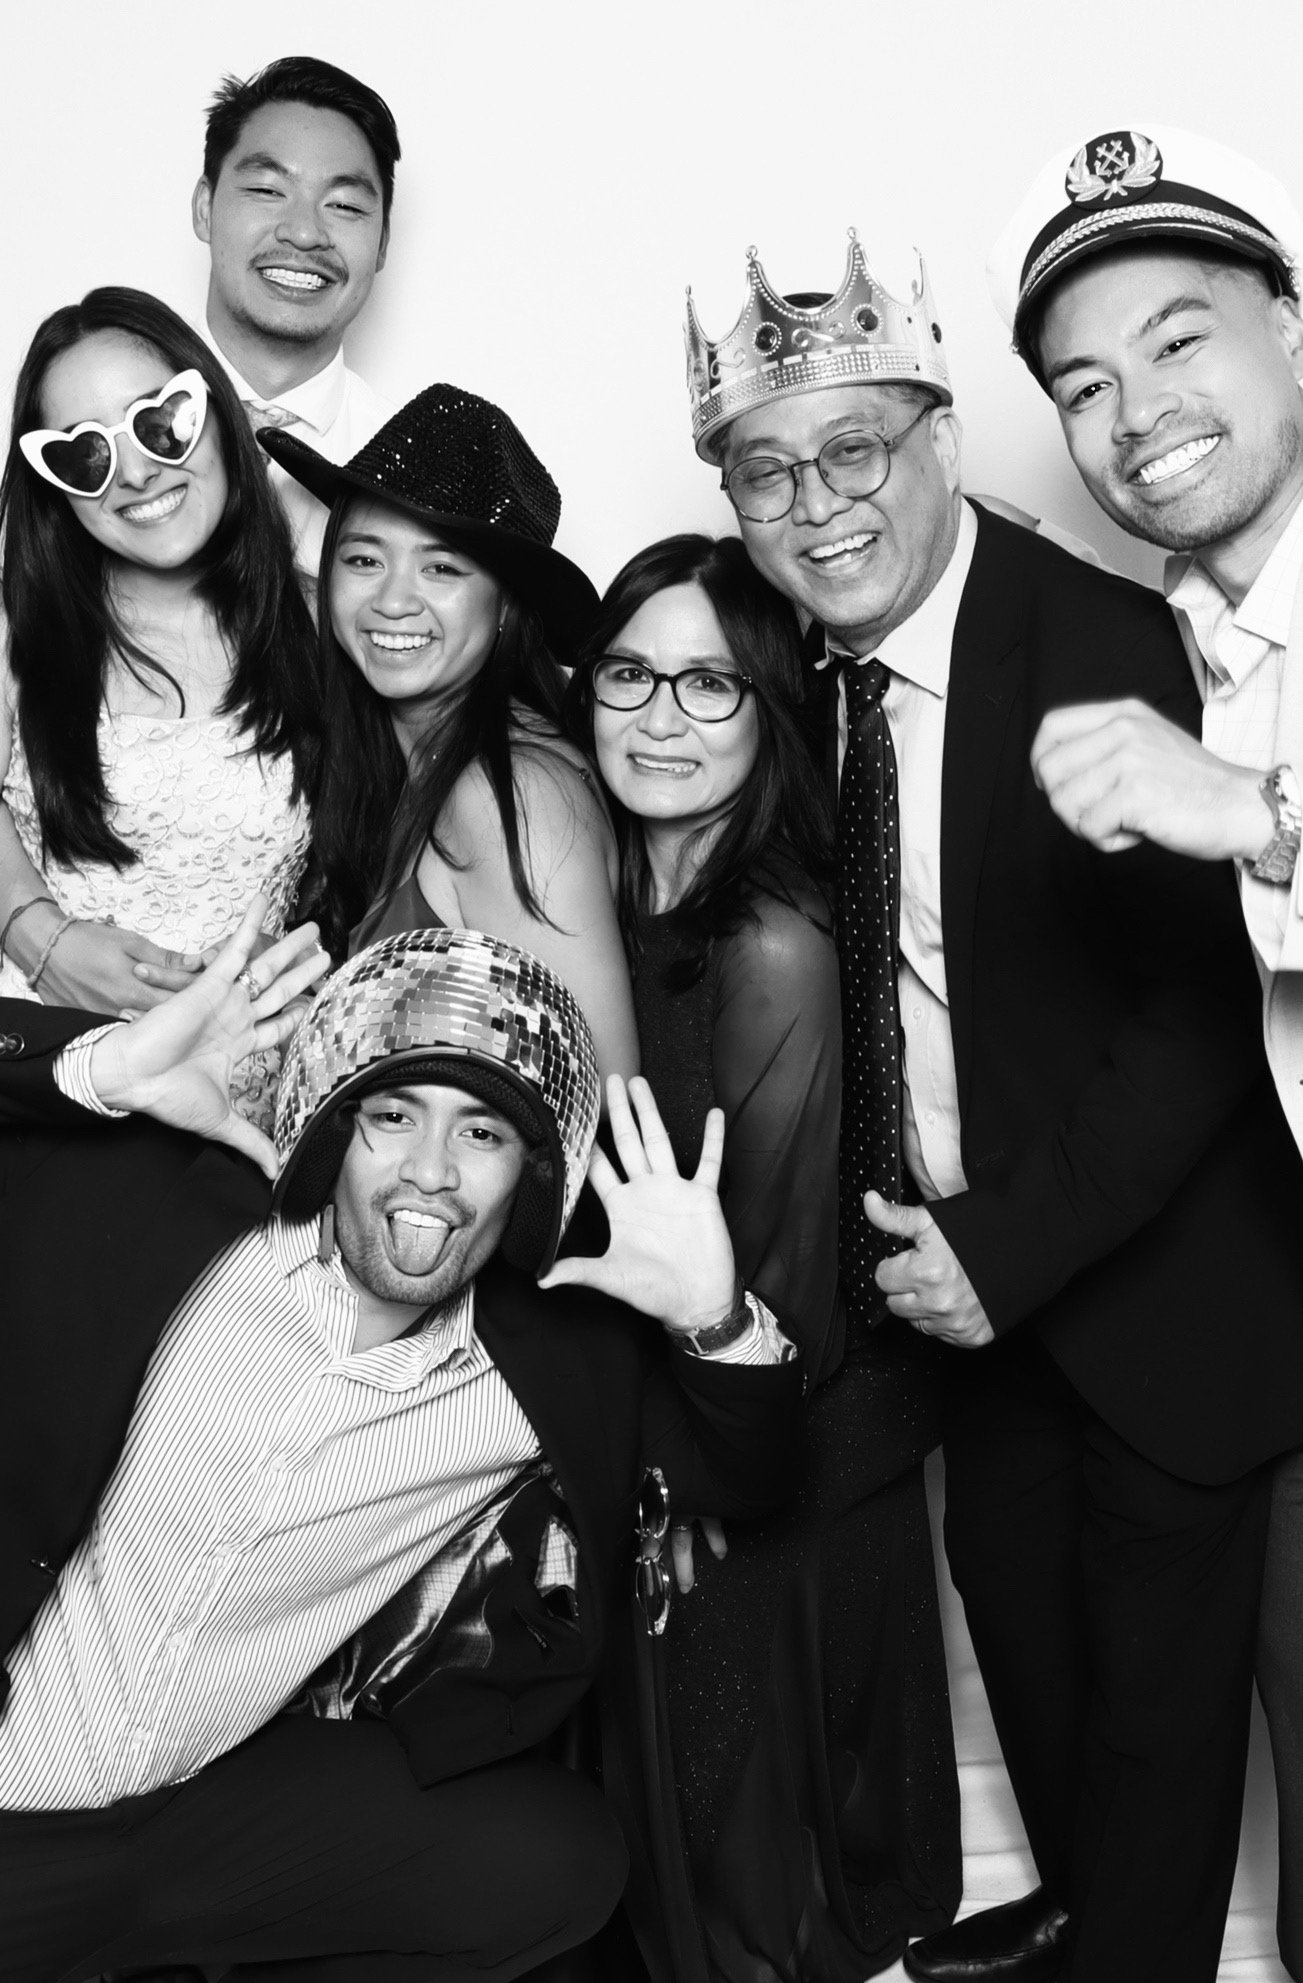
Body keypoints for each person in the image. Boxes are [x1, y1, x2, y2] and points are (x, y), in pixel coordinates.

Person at [683, 227, 1303, 1983]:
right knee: (1036, 1689)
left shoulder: (1101, 640)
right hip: (970, 1307)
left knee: (1154, 1750)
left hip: (1151, 1299)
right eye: (762, 471)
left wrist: (1000, 1247)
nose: (814, 507)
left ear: (945, 440)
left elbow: (1195, 1014)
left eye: (856, 451)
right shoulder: (800, 678)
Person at [0, 900, 803, 1981]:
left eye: (481, 1134)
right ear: (335, 1126)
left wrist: (713, 1313)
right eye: (394, 1117)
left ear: (529, 1176)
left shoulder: (550, 1363)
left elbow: (751, 1476)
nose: (431, 1169)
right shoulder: (155, 1212)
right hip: (15, 1793)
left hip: (199, 1821)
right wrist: (98, 1071)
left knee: (554, 1861)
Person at [989, 123, 1303, 1980]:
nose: (1135, 414)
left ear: (1288, 325)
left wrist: (1258, 813)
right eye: (1083, 387)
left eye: (1179, 340)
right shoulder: (1165, 638)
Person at [565, 530, 959, 1980]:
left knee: (744, 1909)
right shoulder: (598, 891)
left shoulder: (771, 937)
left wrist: (676, 1478)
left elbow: (777, 1288)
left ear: (773, 702)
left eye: (710, 684)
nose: (659, 716)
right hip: (670, 1418)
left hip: (764, 1452)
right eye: (628, 672)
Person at [0, 287, 319, 1127]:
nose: (136, 471)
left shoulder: (323, 621)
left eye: (159, 420)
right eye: (83, 455)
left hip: (234, 1098)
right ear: (53, 486)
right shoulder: (14, 631)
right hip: (38, 1069)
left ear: (213, 408)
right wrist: (41, 939)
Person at [260, 382, 640, 1086]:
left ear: (504, 608)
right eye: (364, 559)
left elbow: (597, 1099)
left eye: (440, 567)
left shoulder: (509, 795)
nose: (393, 600)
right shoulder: (406, 758)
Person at [193, 55, 400, 577]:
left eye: (345, 206)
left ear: (382, 244)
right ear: (204, 208)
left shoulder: (411, 480)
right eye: (267, 191)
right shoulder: (95, 429)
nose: (305, 233)